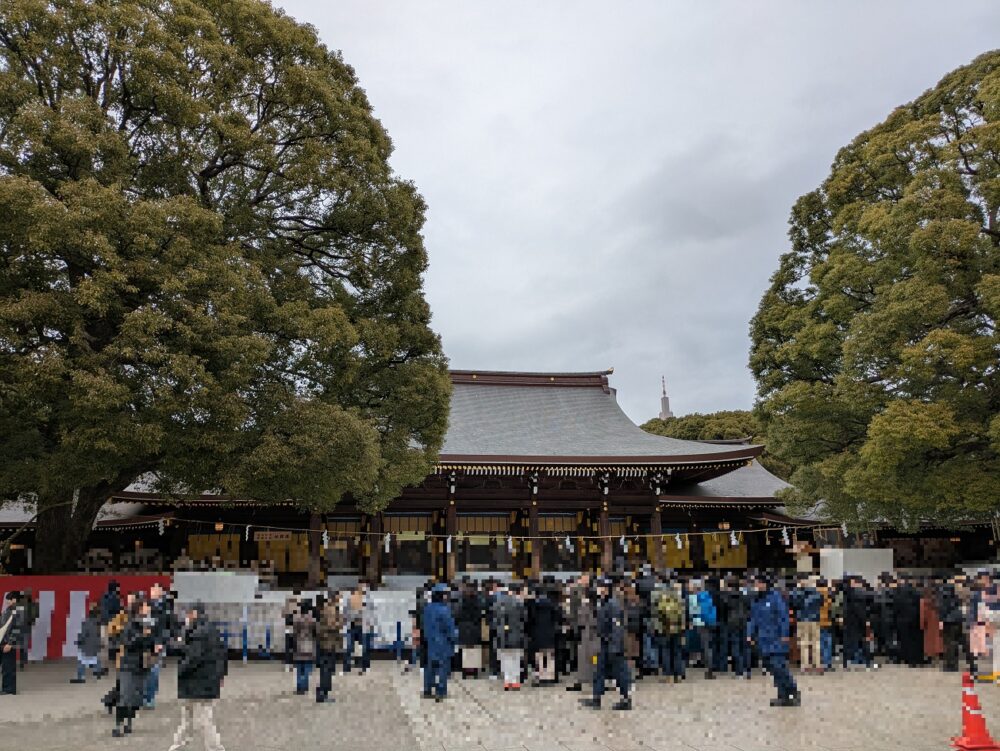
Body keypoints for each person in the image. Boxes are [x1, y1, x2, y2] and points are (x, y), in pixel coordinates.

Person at [167, 602, 228, 751]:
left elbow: (193, 657)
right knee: (192, 718)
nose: (186, 618)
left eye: (188, 614)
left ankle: (214, 748)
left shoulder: (199, 633)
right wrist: (221, 675)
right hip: (206, 681)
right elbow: (221, 654)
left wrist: (181, 670)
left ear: (193, 614)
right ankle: (178, 745)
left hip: (198, 681)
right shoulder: (211, 631)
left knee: (202, 719)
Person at [748, 573, 799, 708]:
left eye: (758, 583)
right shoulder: (756, 600)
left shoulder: (775, 597)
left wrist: (784, 634)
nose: (756, 586)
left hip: (776, 638)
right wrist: (750, 634)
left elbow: (783, 617)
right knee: (771, 668)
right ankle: (782, 695)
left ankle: (793, 691)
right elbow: (753, 619)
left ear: (764, 584)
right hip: (763, 639)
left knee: (779, 666)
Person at [580, 579, 631, 710]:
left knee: (620, 673)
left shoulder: (613, 605)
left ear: (606, 589)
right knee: (599, 671)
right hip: (604, 643)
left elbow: (617, 627)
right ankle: (596, 698)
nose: (598, 589)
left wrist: (615, 646)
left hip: (613, 644)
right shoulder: (602, 603)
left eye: (601, 587)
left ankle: (626, 699)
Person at [112, 597, 157, 737]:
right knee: (126, 695)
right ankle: (118, 725)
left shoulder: (149, 625)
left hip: (142, 665)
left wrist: (155, 647)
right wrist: (141, 636)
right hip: (128, 665)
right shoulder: (130, 625)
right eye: (146, 606)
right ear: (139, 609)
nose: (148, 608)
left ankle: (129, 723)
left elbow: (150, 643)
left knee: (137, 697)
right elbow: (127, 644)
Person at [422, 583, 457, 701]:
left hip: (430, 641)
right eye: (445, 594)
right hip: (443, 643)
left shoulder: (427, 608)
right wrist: (454, 638)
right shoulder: (444, 610)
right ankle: (440, 691)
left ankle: (427, 689)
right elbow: (450, 628)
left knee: (430, 667)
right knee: (443, 668)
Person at [143, 581, 175, 708]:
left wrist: (163, 641)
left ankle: (149, 697)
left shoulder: (167, 607)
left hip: (159, 644)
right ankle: (142, 695)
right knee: (143, 669)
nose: (153, 592)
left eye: (155, 590)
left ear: (161, 592)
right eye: (152, 589)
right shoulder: (146, 605)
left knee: (154, 671)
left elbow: (169, 626)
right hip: (145, 642)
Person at [565, 574, 598, 693]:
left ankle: (594, 679)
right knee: (585, 656)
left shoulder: (588, 598)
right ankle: (586, 679)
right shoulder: (577, 592)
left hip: (588, 631)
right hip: (584, 631)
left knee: (591, 657)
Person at [493, 583, 527, 690]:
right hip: (517, 632)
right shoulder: (519, 603)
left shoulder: (499, 602)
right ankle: (515, 681)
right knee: (516, 657)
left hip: (503, 634)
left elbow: (495, 618)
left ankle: (507, 681)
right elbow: (524, 618)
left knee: (505, 658)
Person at [652, 581, 686, 683]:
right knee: (677, 651)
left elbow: (656, 614)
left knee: (666, 651)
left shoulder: (661, 599)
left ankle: (668, 675)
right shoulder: (679, 600)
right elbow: (683, 615)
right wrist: (682, 627)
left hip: (664, 629)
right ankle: (679, 674)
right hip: (677, 628)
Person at [528, 581, 559, 685]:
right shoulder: (552, 604)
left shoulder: (533, 605)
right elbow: (557, 618)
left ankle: (541, 676)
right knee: (550, 655)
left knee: (540, 655)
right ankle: (550, 676)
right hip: (550, 632)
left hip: (537, 632)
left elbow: (530, 619)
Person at [315, 593, 342, 703]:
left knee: (325, 667)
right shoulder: (330, 609)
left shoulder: (326, 608)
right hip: (329, 642)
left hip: (325, 642)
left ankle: (322, 691)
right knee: (327, 668)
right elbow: (332, 625)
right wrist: (341, 622)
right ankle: (323, 692)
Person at [793, 577, 823, 673]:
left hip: (802, 620)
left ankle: (805, 665)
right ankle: (817, 664)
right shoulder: (818, 594)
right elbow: (821, 604)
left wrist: (797, 589)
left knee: (804, 643)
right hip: (815, 620)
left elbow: (794, 603)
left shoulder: (800, 594)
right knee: (816, 642)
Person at [457, 581, 485, 678]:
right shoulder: (478, 600)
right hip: (474, 627)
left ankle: (465, 671)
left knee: (465, 649)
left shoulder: (462, 600)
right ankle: (474, 671)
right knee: (475, 650)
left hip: (464, 627)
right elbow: (480, 615)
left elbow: (458, 614)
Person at [72, 603, 104, 683]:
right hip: (95, 645)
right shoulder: (98, 623)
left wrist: (78, 641)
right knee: (94, 659)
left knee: (81, 661)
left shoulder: (86, 623)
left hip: (86, 645)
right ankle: (98, 670)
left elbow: (83, 635)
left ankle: (81, 677)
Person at [937, 577, 964, 672]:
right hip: (958, 618)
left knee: (948, 643)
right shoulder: (957, 590)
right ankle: (954, 664)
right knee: (954, 642)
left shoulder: (944, 591)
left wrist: (941, 619)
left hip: (949, 620)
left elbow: (943, 607)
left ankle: (950, 665)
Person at [0, 591, 24, 695]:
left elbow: (18, 630)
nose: (7, 601)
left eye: (9, 599)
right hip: (2, 641)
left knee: (8, 667)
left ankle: (9, 689)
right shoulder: (7, 611)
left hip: (8, 643)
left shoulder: (19, 612)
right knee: (6, 666)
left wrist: (10, 643)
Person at [292, 598, 317, 695]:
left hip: (299, 644)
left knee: (299, 667)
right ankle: (304, 686)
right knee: (307, 667)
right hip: (309, 644)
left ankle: (299, 686)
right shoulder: (312, 620)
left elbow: (295, 632)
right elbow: (315, 632)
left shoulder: (297, 619)